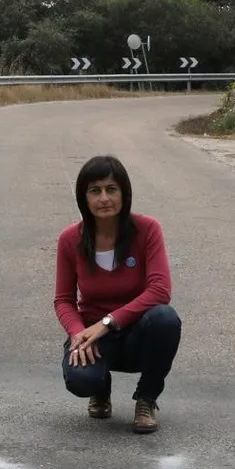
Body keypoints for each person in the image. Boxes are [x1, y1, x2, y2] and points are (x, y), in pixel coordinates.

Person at [54, 154, 182, 433]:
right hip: (94, 337)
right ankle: (99, 387)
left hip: (137, 334)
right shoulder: (70, 239)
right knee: (81, 380)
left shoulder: (147, 229)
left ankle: (146, 399)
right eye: (95, 191)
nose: (104, 198)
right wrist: (78, 334)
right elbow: (63, 299)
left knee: (165, 319)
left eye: (111, 189)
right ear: (84, 198)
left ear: (124, 193)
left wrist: (108, 322)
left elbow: (160, 290)